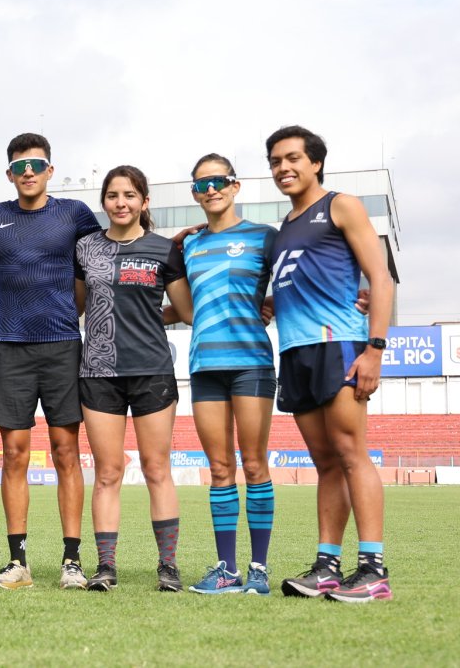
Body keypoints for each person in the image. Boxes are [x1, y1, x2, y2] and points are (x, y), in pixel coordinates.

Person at [264, 126, 394, 603]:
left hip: (337, 343)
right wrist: (271, 304)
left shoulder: (341, 205)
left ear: (316, 162)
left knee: (350, 452)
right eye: (275, 161)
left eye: (293, 158)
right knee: (325, 463)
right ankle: (327, 567)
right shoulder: (283, 228)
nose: (284, 168)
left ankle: (374, 570)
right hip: (294, 351)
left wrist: (374, 349)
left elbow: (380, 278)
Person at [0, 133, 101, 589]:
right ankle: (18, 563)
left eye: (35, 164)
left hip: (63, 345)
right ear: (9, 174)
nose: (27, 172)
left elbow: (100, 262)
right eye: (19, 166)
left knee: (66, 451)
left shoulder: (75, 213)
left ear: (50, 169)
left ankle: (72, 562)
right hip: (11, 346)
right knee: (13, 454)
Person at [74, 165, 193, 593]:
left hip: (151, 370)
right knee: (107, 472)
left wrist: (147, 317)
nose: (120, 203)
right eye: (112, 195)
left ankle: (168, 567)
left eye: (129, 195)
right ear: (104, 202)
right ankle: (105, 567)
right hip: (98, 372)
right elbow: (78, 306)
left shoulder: (164, 250)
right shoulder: (85, 248)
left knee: (157, 469)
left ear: (144, 202)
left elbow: (186, 311)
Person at [181, 155, 279, 595]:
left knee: (254, 464)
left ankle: (258, 569)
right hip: (205, 365)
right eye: (202, 184)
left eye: (219, 181)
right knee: (220, 468)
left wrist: (275, 303)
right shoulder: (188, 245)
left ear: (235, 186)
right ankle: (227, 569)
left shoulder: (263, 236)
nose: (211, 190)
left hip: (251, 362)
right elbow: (184, 306)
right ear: (194, 194)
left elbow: (296, 279)